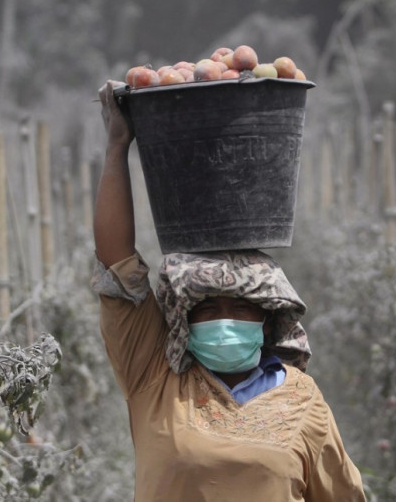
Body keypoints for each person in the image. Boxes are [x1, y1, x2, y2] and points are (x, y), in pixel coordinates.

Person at [91, 79, 366, 501]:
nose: (222, 320)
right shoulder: (155, 377)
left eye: (239, 306)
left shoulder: (302, 401)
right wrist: (117, 146)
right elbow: (118, 266)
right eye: (205, 308)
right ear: (182, 319)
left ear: (266, 316)